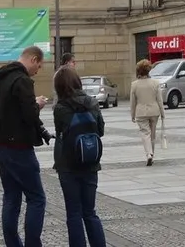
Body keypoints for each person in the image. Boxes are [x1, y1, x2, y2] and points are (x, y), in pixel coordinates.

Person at [0, 46, 52, 247]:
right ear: (33, 59)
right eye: (39, 66)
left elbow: (7, 109)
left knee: (11, 197)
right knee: (36, 198)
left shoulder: (2, 78)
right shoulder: (22, 80)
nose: (37, 71)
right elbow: (29, 115)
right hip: (19, 148)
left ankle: (13, 244)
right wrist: (38, 104)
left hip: (0, 147)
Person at [52, 67, 106, 247]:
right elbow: (101, 131)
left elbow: (61, 134)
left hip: (68, 166)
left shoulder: (60, 108)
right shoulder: (92, 103)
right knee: (90, 212)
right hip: (90, 162)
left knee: (73, 213)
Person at [129, 59, 165, 165]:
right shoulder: (155, 83)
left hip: (141, 112)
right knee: (152, 135)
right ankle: (152, 155)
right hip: (154, 111)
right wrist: (162, 113)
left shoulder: (134, 85)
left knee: (145, 133)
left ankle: (148, 154)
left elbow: (133, 102)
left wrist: (132, 114)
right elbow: (159, 100)